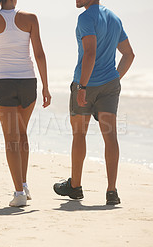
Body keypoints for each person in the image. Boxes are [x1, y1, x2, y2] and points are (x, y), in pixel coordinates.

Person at [53, 0, 135, 205]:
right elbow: (129, 54)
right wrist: (114, 79)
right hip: (109, 85)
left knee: (79, 134)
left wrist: (82, 86)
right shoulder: (115, 18)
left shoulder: (86, 18)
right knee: (111, 137)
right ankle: (111, 191)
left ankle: (76, 186)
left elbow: (90, 53)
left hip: (86, 86)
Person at [0, 0, 51, 207]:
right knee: (22, 134)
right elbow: (39, 54)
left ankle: (19, 193)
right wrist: (45, 86)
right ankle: (23, 185)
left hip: (4, 81)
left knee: (11, 138)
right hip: (28, 81)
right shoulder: (30, 18)